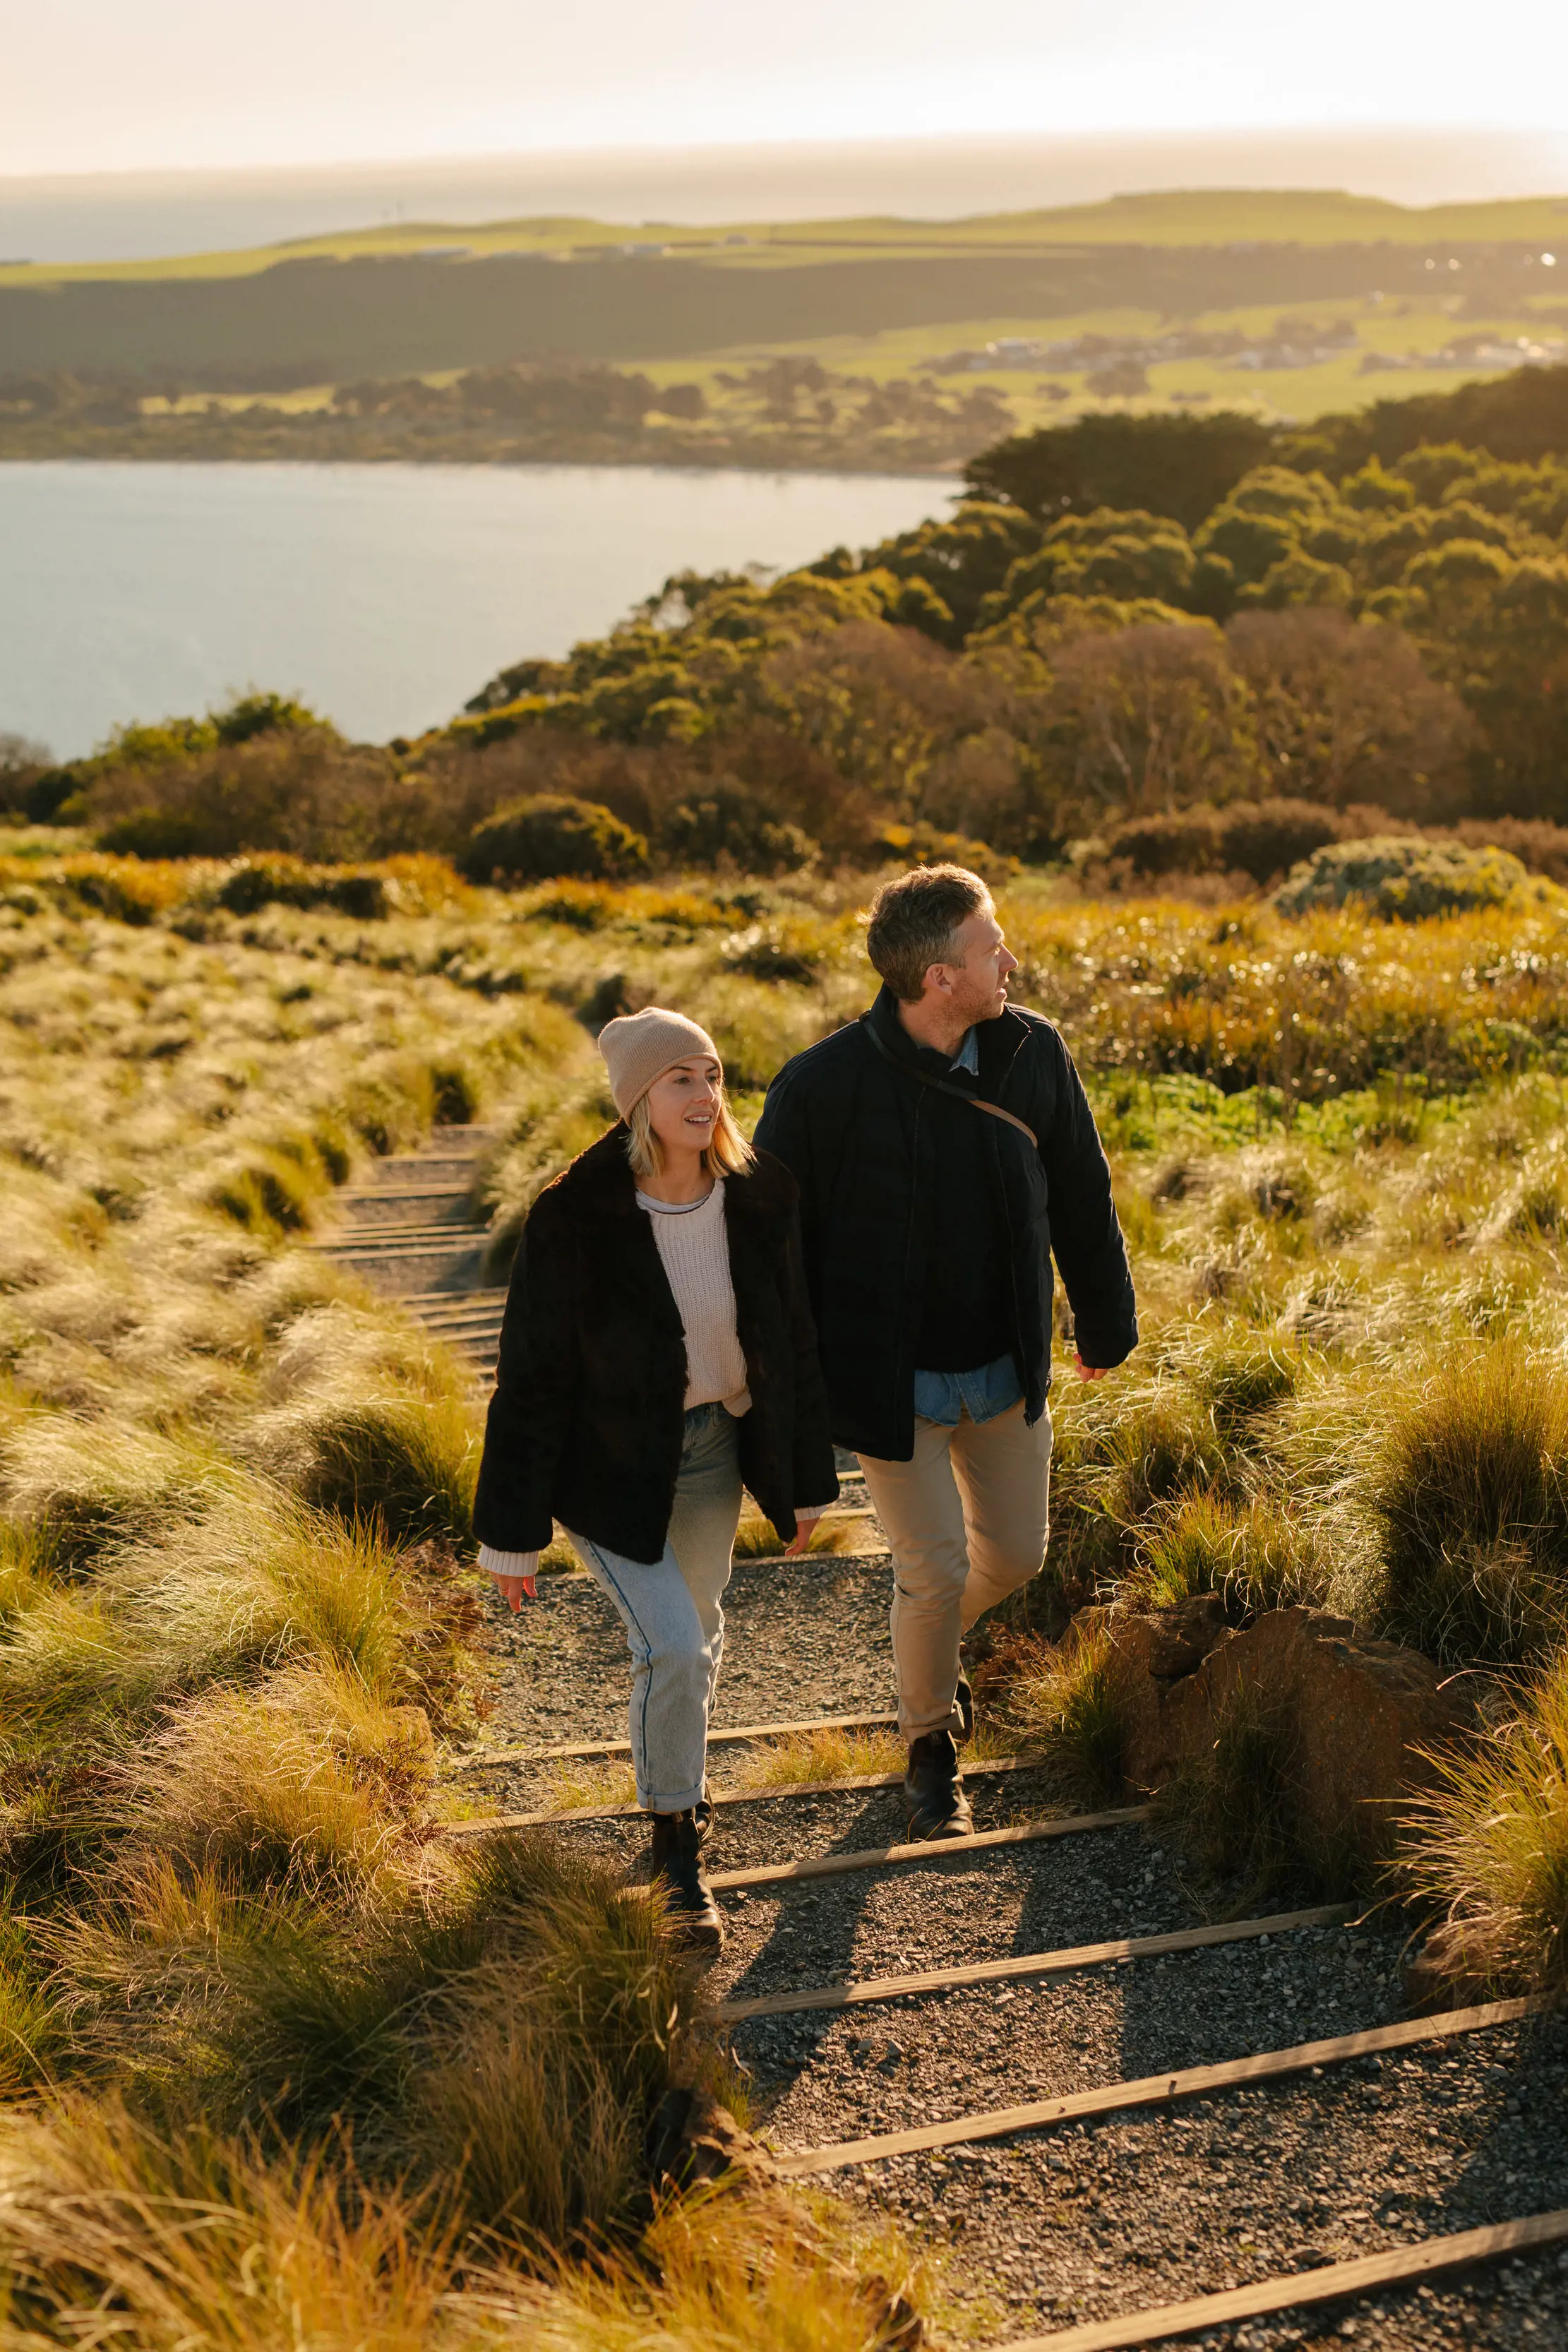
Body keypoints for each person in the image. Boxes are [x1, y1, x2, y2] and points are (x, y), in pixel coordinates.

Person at [754, 865, 1137, 1839]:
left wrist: (1103, 1324)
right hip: (891, 1385)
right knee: (930, 1567)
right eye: (988, 949)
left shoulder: (1032, 1053)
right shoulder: (819, 1089)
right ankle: (931, 1751)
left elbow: (1083, 1195)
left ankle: (925, 1655)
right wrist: (782, 1409)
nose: (1009, 960)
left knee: (1014, 1552)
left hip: (1006, 1363)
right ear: (936, 981)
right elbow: (773, 1256)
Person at [473, 1007, 838, 1952]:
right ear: (638, 1096)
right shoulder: (575, 1214)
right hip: (608, 1467)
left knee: (697, 1636)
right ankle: (677, 1845)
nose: (705, 1093)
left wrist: (801, 1484)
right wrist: (511, 1534)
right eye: (680, 1077)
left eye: (712, 1073)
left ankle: (673, 1791)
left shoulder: (761, 1197)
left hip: (717, 1449)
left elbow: (793, 1343)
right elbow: (532, 1376)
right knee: (673, 1644)